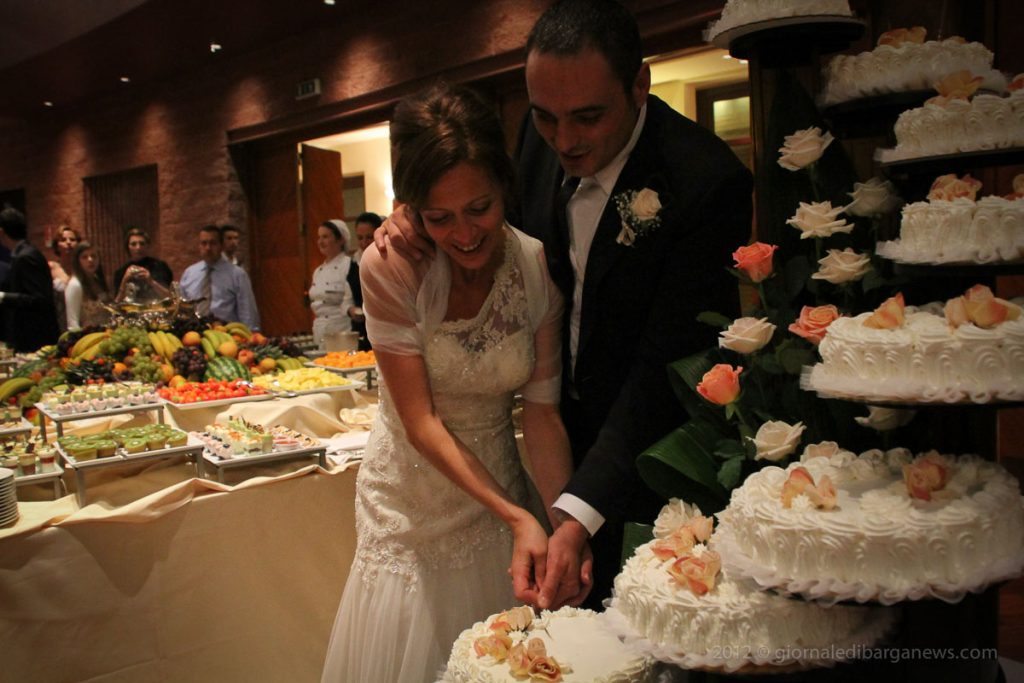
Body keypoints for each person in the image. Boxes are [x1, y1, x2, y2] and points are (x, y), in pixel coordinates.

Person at [377, 0, 753, 611]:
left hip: (642, 460)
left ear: (638, 84)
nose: (565, 140)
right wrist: (418, 213)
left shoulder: (705, 182)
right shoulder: (540, 135)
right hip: (547, 450)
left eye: (587, 117)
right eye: (546, 117)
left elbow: (663, 369)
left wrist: (577, 511)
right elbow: (490, 230)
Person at [320, 83, 572, 683]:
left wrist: (563, 526)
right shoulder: (391, 265)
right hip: (412, 505)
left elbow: (542, 413)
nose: (464, 234)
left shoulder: (532, 265)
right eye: (439, 218)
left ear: (504, 187)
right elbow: (420, 421)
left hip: (501, 492)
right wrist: (516, 515)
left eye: (479, 208)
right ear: (413, 208)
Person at [0, 208, 60, 351]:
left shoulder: (26, 257)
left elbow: (39, 299)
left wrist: (3, 297)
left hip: (36, 338)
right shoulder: (22, 254)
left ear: (1, 232)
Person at [179, 225, 260, 330]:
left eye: (213, 243)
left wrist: (251, 334)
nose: (208, 248)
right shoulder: (189, 273)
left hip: (227, 334)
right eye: (204, 243)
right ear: (199, 246)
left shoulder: (237, 275)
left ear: (221, 246)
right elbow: (182, 308)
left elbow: (247, 312)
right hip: (195, 334)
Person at [308, 219, 363, 348]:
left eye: (325, 237)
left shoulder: (350, 266)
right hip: (320, 331)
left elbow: (355, 299)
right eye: (319, 237)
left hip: (342, 331)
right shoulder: (318, 271)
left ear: (341, 239)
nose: (320, 242)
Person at [65, 241, 113, 329]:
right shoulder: (75, 285)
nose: (90, 260)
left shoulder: (98, 280)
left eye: (93, 256)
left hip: (106, 332)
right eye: (84, 257)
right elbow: (72, 322)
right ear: (78, 261)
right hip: (88, 335)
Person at [111, 227, 173, 294]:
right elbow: (117, 300)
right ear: (128, 247)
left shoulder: (160, 266)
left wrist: (151, 281)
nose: (138, 247)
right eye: (133, 244)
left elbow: (171, 296)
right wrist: (124, 280)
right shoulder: (121, 272)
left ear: (147, 246)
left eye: (142, 244)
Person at [47, 225, 81, 332]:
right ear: (57, 246)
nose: (68, 242)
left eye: (72, 239)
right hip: (57, 323)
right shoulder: (51, 268)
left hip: (79, 321)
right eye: (63, 240)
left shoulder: (83, 270)